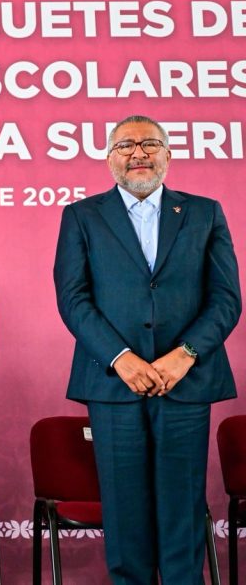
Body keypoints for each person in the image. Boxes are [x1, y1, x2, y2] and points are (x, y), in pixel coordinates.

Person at [53, 115, 240, 584]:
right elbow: (73, 299)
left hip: (186, 382)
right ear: (109, 158)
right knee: (124, 514)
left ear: (168, 155)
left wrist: (185, 354)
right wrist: (122, 359)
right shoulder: (82, 216)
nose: (138, 153)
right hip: (113, 384)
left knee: (183, 509)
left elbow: (226, 298)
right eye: (126, 146)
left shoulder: (204, 212)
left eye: (150, 144)